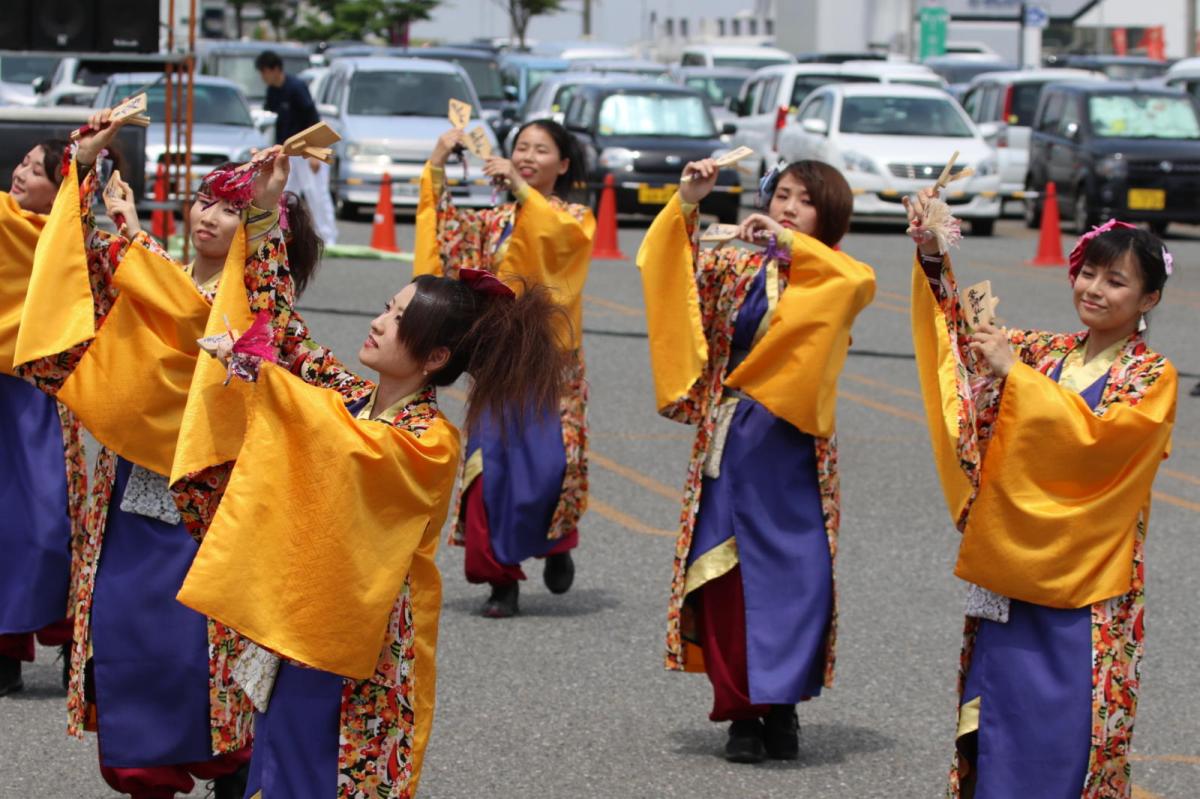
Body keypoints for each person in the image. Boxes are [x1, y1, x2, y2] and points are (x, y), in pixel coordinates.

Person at [11, 108, 332, 799]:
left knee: (199, 639)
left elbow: (196, 308)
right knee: (128, 625)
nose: (212, 214)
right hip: (133, 476)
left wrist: (263, 209)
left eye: (230, 206)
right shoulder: (153, 273)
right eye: (207, 199)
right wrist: (87, 167)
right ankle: (147, 773)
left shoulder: (248, 300)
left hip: (212, 490)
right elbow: (77, 268)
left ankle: (230, 760)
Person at [176, 270, 569, 797]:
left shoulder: (430, 441)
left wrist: (261, 374)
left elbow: (349, 444)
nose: (379, 323)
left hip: (363, 639)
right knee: (281, 757)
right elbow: (289, 334)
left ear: (434, 358)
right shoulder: (354, 399)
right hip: (304, 619)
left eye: (400, 320)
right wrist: (266, 214)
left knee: (327, 767)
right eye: (387, 308)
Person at [904, 189, 1177, 798]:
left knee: (1071, 731)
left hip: (1090, 578)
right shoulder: (1044, 352)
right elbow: (959, 345)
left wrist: (1015, 377)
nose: (1094, 289)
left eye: (1116, 281)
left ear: (1148, 299)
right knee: (1000, 716)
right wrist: (930, 252)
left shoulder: (1151, 375)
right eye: (1087, 272)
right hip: (1014, 563)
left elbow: (1100, 443)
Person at [635, 160, 876, 763]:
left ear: (829, 215)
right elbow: (672, 272)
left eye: (805, 201)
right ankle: (741, 713)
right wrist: (688, 202)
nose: (789, 207)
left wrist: (788, 242)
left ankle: (785, 704)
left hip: (795, 451)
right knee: (727, 577)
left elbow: (853, 284)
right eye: (782, 195)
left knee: (802, 580)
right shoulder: (734, 262)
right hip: (733, 439)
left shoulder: (836, 275)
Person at [414, 119, 594, 617]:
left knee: (552, 466)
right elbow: (446, 239)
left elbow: (559, 244)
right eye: (521, 148)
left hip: (553, 364)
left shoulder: (575, 217)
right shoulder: (491, 221)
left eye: (541, 149)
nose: (529, 155)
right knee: (488, 469)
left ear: (563, 164)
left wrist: (519, 188)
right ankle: (501, 579)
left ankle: (558, 543)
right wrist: (437, 164)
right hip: (499, 363)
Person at [0, 139, 86, 697]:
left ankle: (74, 640)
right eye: (23, 163)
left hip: (40, 396)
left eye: (38, 171)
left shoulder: (72, 244)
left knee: (48, 528)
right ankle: (5, 649)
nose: (21, 174)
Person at [256, 49, 337, 245]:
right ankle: (285, 234)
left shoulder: (296, 87)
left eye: (264, 72)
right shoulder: (273, 92)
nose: (263, 77)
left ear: (274, 69)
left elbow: (312, 119)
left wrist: (315, 154)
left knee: (316, 193)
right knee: (285, 194)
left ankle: (328, 236)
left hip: (307, 149)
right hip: (287, 151)